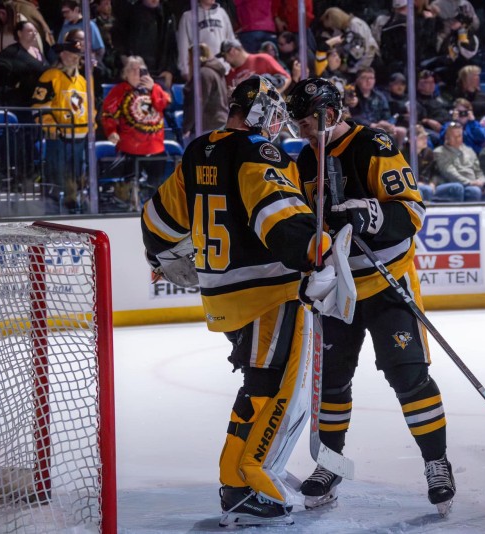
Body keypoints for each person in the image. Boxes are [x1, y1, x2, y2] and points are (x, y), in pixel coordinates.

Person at [141, 75, 345, 525]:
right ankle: (247, 483)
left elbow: (158, 220)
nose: (276, 125)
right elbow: (276, 213)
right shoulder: (258, 150)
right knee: (273, 390)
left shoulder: (198, 150)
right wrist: (320, 251)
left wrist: (161, 255)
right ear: (258, 112)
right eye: (273, 115)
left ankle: (237, 477)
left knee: (256, 387)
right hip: (266, 294)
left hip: (222, 296)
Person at [285, 77, 456, 514]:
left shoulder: (374, 144)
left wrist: (370, 213)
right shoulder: (305, 159)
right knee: (332, 384)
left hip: (386, 283)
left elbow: (413, 210)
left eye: (308, 121)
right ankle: (330, 464)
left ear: (330, 113)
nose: (302, 130)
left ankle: (437, 462)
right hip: (337, 288)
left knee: (408, 375)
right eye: (299, 122)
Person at [31, 38, 94, 213]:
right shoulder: (50, 76)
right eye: (71, 54)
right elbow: (39, 106)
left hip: (80, 137)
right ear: (62, 54)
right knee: (57, 174)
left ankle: (73, 204)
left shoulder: (83, 80)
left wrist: (92, 127)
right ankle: (54, 208)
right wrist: (51, 128)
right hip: (58, 137)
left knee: (76, 174)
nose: (75, 58)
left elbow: (90, 108)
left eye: (78, 55)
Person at [101, 56, 171, 193]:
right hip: (131, 147)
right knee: (131, 188)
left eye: (140, 69)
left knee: (157, 188)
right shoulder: (119, 90)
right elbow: (108, 114)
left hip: (155, 147)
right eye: (132, 70)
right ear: (125, 74)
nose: (136, 73)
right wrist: (111, 131)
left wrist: (154, 88)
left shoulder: (156, 88)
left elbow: (163, 105)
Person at [434, 121, 485, 201]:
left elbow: (478, 171)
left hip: (475, 184)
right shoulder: (439, 152)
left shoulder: (469, 150)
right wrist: (470, 183)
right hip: (456, 184)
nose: (457, 139)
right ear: (447, 137)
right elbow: (449, 172)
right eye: (454, 136)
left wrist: (482, 182)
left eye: (459, 136)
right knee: (474, 191)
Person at [219, 38, 291, 93]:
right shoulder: (230, 75)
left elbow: (286, 78)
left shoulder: (263, 59)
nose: (225, 61)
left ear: (232, 51)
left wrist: (273, 97)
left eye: (225, 56)